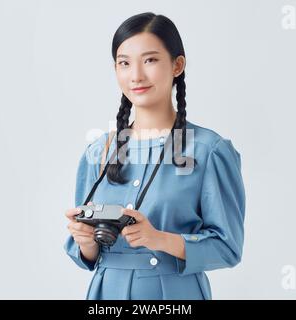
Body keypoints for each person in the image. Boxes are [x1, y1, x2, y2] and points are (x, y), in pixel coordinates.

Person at [64, 12, 246, 300]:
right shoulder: (99, 151)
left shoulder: (208, 150)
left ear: (177, 65)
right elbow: (83, 254)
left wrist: (159, 239)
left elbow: (228, 248)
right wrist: (85, 241)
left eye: (149, 60)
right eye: (124, 63)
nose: (135, 75)